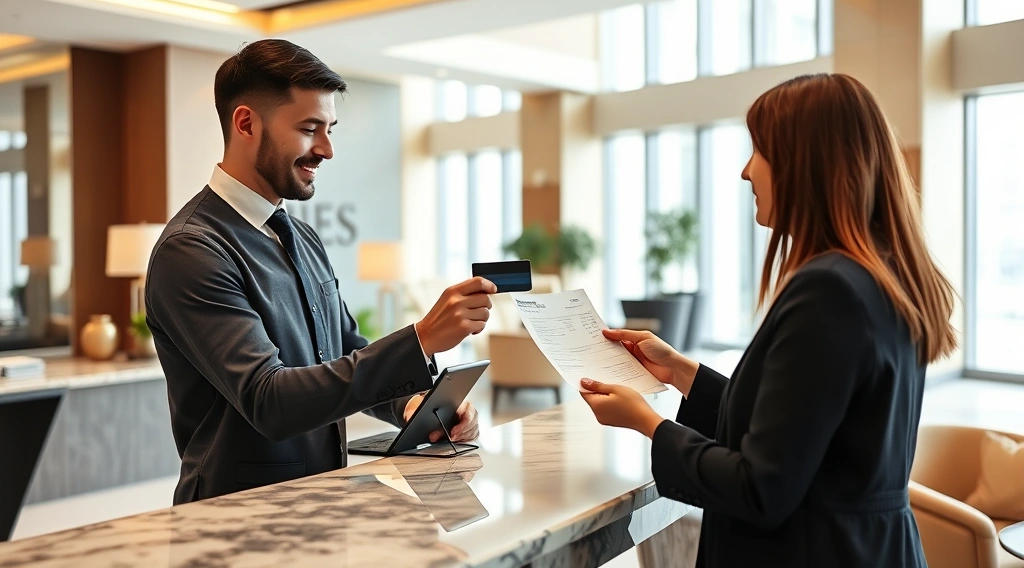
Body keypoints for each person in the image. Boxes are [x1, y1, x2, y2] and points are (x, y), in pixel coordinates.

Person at [580, 73, 957, 567]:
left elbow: (760, 487)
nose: (745, 171)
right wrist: (679, 371)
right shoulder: (878, 275)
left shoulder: (830, 290)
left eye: (758, 150)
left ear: (805, 164)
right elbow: (795, 431)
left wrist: (649, 424)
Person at [145, 39, 495, 505]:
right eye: (310, 129)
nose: (327, 149)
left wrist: (411, 405)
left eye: (329, 129)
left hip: (320, 503)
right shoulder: (191, 250)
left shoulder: (303, 237)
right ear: (246, 123)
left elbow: (343, 349)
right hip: (235, 516)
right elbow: (269, 399)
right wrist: (421, 339)